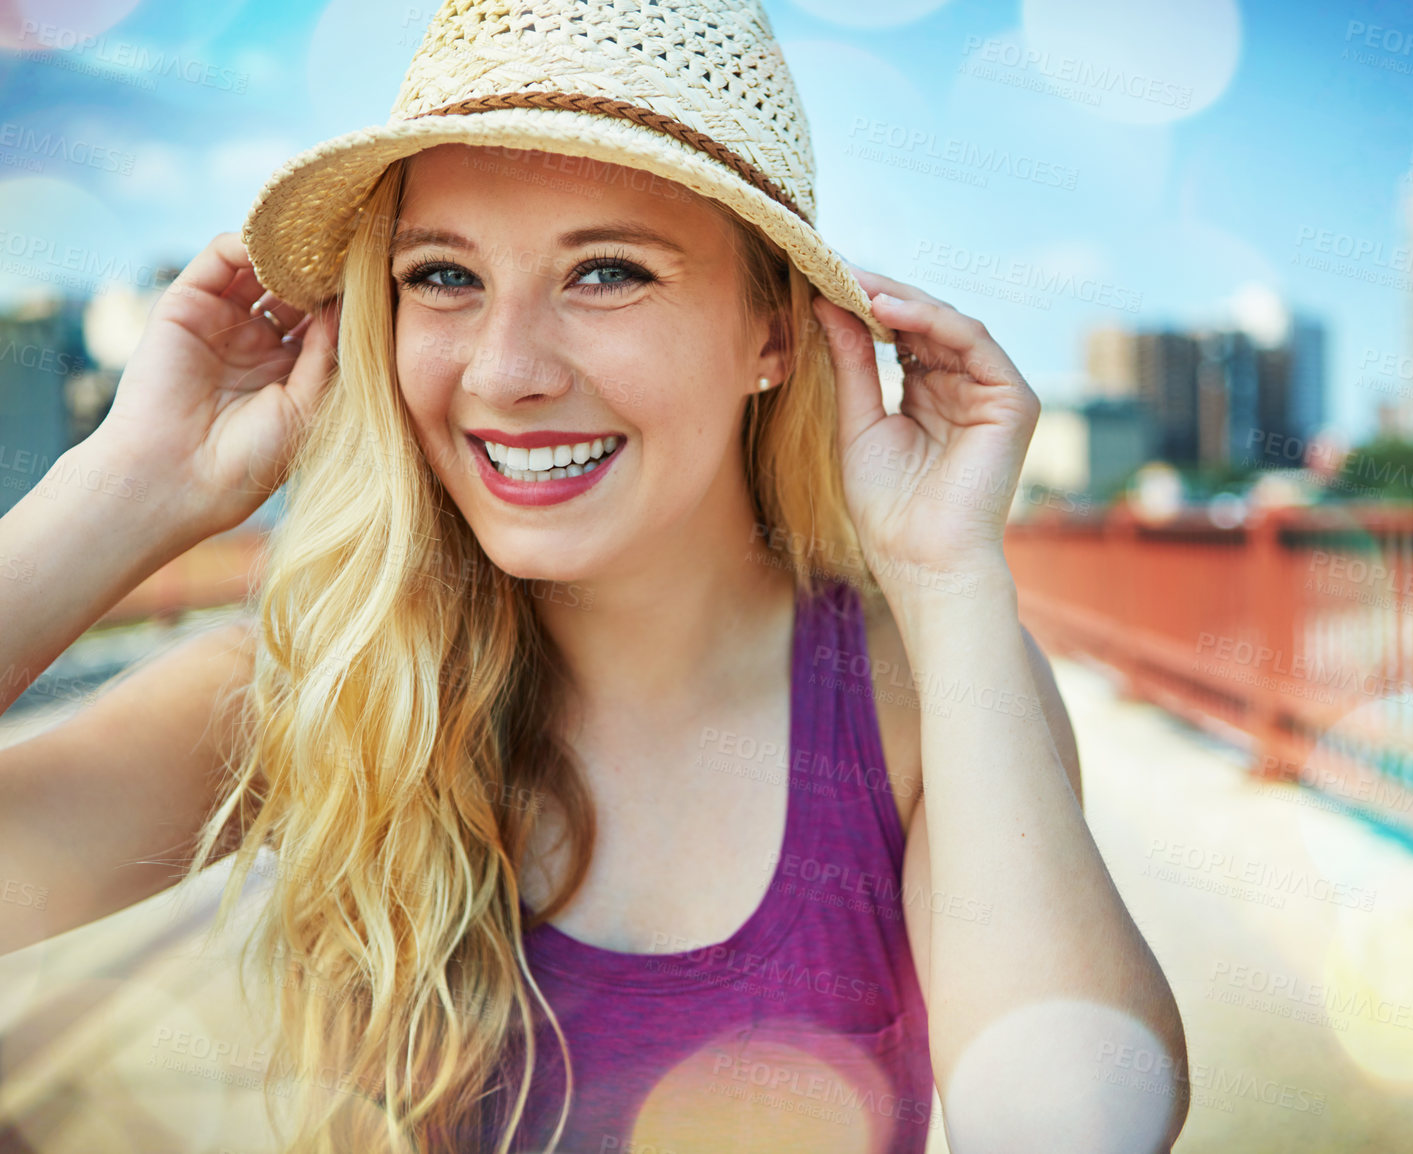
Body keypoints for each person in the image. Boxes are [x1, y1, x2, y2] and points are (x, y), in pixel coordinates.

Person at [0, 1, 1187, 1151]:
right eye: (445, 277)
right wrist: (128, 488)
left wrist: (947, 577)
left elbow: (1075, 1118)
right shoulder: (319, 683)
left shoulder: (922, 693)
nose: (506, 370)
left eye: (607, 271)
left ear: (773, 331)